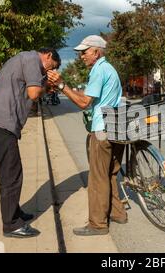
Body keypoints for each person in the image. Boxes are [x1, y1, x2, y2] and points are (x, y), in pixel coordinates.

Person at [47, 35, 127, 236]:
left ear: (96, 52)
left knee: (97, 178)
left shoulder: (99, 70)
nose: (81, 56)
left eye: (84, 52)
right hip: (116, 127)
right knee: (110, 173)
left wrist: (62, 85)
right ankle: (118, 213)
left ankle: (97, 224)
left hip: (101, 129)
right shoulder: (110, 69)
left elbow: (84, 103)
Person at [0, 48, 61, 238]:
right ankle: (11, 224)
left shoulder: (24, 57)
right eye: (52, 66)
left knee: (10, 171)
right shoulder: (34, 60)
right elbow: (34, 93)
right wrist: (47, 84)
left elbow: (29, 88)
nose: (48, 70)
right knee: (12, 175)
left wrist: (45, 84)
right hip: (2, 122)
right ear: (48, 55)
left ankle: (14, 212)